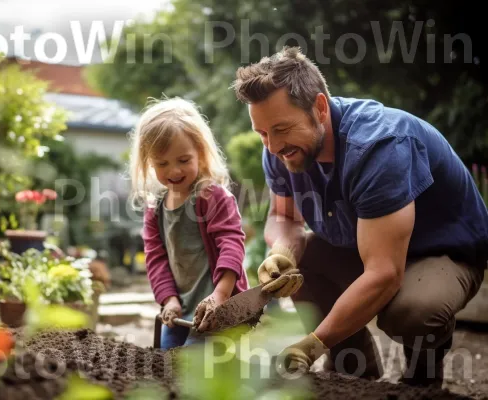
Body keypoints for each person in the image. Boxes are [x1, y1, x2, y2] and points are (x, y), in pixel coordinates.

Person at [231, 46, 488, 385]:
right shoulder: (280, 149)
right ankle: (353, 374)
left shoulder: (379, 147)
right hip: (365, 244)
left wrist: (313, 344)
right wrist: (281, 251)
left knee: (412, 314)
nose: (272, 145)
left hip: (443, 253)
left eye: (281, 129)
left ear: (319, 108)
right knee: (300, 262)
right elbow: (284, 216)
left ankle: (423, 380)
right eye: (262, 133)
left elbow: (384, 273)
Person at [130, 97, 296, 349]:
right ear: (149, 163)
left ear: (200, 153)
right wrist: (169, 300)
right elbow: (156, 259)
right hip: (181, 310)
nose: (174, 171)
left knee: (192, 367)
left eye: (183, 160)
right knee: (165, 363)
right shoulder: (156, 209)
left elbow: (231, 245)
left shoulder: (212, 197)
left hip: (220, 309)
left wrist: (219, 296)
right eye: (162, 164)